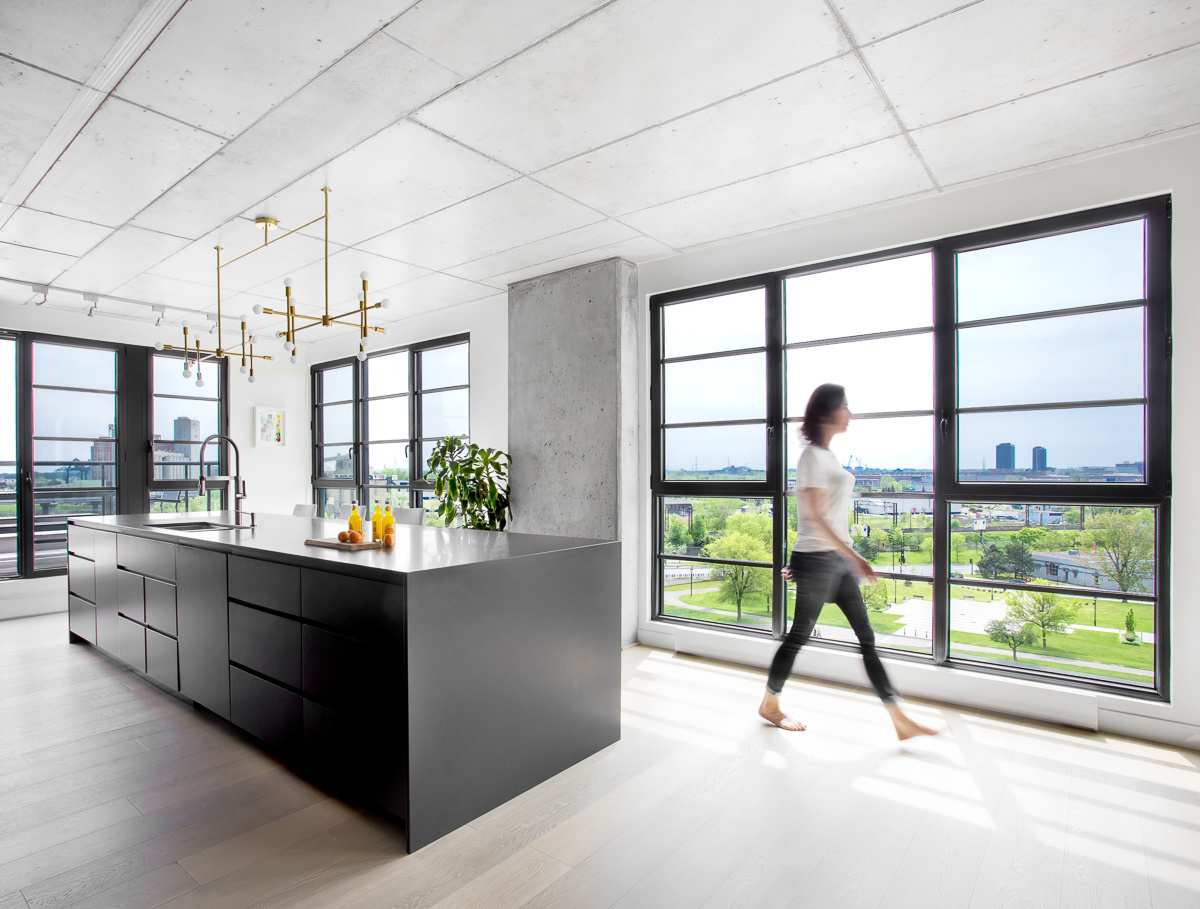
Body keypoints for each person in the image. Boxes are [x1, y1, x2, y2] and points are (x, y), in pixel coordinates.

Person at [758, 383, 937, 741]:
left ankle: (900, 720)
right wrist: (852, 558)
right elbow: (813, 515)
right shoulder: (811, 457)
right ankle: (770, 705)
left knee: (866, 638)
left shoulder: (828, 456)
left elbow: (829, 515)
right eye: (845, 406)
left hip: (835, 560)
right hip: (820, 558)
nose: (850, 413)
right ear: (827, 413)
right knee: (798, 637)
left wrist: (848, 556)